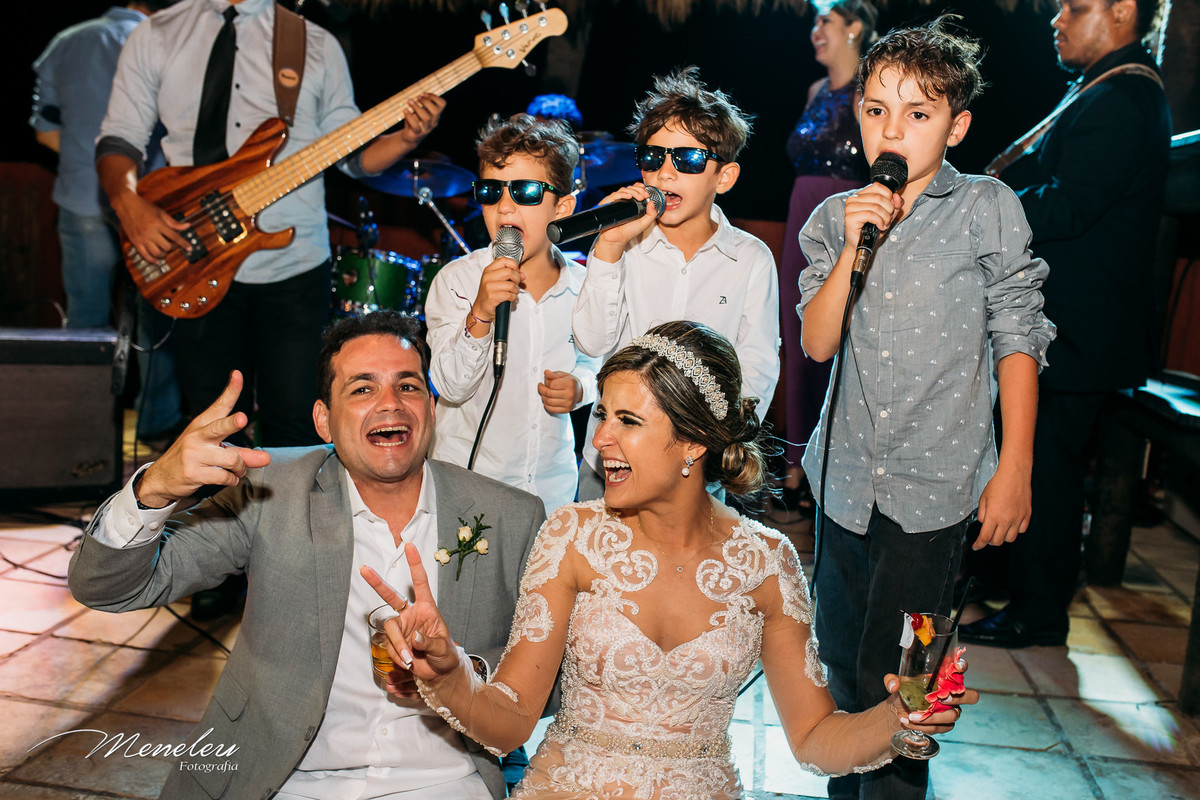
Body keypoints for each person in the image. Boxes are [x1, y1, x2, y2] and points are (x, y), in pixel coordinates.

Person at [363, 320, 977, 798]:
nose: (600, 439)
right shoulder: (571, 537)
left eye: (627, 421)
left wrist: (897, 717)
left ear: (693, 442)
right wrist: (449, 676)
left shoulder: (767, 563)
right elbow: (513, 719)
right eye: (602, 414)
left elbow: (816, 739)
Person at [67, 312, 547, 800]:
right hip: (287, 780)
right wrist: (153, 489)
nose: (390, 403)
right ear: (323, 420)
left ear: (432, 408)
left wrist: (464, 675)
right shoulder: (270, 491)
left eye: (408, 386)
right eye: (362, 389)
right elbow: (107, 587)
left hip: (447, 781)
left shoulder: (509, 516)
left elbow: (559, 684)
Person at [796, 18, 1055, 799]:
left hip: (936, 493)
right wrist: (855, 243)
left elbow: (1019, 335)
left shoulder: (985, 208)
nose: (893, 129)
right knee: (843, 667)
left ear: (957, 126)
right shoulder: (834, 220)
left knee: (907, 685)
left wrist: (1015, 468)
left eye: (918, 113)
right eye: (877, 110)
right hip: (843, 487)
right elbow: (816, 342)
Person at [95, 0, 445, 448]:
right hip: (194, 257)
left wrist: (407, 138)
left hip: (293, 265)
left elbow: (354, 156)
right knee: (213, 430)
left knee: (297, 427)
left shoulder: (314, 43)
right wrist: (128, 204)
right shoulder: (156, 33)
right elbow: (119, 137)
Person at [960, 0, 1171, 649]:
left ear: (1122, 11)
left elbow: (1069, 205)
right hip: (1070, 320)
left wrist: (980, 210)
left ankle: (1040, 610)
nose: (1057, 19)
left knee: (1047, 467)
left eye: (1075, 7)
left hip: (1081, 327)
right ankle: (1002, 577)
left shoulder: (1123, 97)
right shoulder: (1102, 88)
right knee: (1027, 452)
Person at [572, 67, 780, 501]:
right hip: (612, 457)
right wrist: (608, 246)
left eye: (687, 159)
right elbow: (591, 342)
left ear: (724, 177)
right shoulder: (621, 245)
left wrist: (717, 440)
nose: (665, 172)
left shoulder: (750, 259)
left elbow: (757, 369)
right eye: (653, 157)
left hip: (695, 467)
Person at [29, 0, 184, 445]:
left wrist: (89, 160)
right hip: (153, 205)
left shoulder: (66, 41)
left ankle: (84, 427)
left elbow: (44, 132)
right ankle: (158, 425)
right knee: (156, 316)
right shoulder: (168, 41)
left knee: (85, 319)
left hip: (84, 198)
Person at [426, 114, 598, 513]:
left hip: (551, 490)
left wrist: (581, 389)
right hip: (469, 487)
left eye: (525, 191)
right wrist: (481, 312)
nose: (504, 206)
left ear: (563, 206)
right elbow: (450, 386)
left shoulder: (585, 287)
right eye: (491, 191)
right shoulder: (457, 280)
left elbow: (599, 363)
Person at [774, 0, 876, 520]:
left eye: (825, 21)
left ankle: (832, 465)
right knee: (797, 337)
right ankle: (795, 464)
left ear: (854, 26)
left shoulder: (869, 92)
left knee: (835, 339)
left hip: (845, 218)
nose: (815, 30)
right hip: (800, 214)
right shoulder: (816, 91)